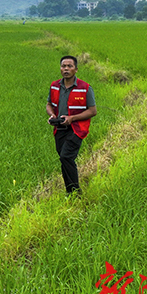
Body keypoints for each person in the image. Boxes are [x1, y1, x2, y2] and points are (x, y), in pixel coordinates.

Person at [46, 55, 97, 195]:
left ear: (76, 69)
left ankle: (75, 192)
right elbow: (49, 104)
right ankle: (70, 191)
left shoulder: (85, 88)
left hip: (77, 129)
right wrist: (52, 115)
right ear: (60, 68)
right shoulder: (54, 86)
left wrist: (72, 118)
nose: (66, 69)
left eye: (70, 66)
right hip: (59, 129)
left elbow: (93, 111)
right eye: (63, 66)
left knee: (66, 157)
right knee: (64, 159)